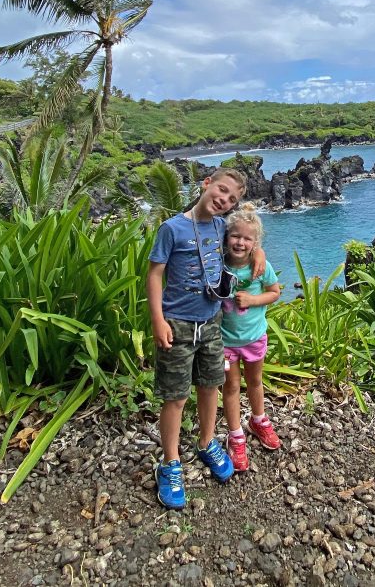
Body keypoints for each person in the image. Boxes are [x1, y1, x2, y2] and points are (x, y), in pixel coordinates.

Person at [147, 167, 262, 510]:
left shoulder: (219, 226)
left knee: (210, 385)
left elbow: (243, 240)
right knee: (176, 396)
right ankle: (169, 464)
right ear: (206, 184)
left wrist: (258, 252)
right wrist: (158, 320)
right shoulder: (172, 228)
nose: (223, 200)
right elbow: (154, 275)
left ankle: (207, 442)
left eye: (232, 199)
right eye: (221, 191)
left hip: (211, 322)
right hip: (178, 324)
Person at [219, 204, 284, 472]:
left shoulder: (260, 266)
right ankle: (236, 435)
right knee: (231, 387)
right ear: (226, 237)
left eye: (247, 238)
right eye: (235, 236)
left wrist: (253, 299)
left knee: (255, 381)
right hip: (224, 341)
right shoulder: (218, 262)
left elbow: (275, 291)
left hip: (254, 336)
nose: (240, 242)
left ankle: (259, 419)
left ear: (255, 243)